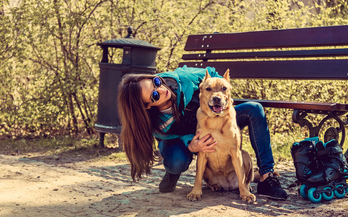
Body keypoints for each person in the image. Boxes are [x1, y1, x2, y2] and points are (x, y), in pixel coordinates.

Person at [117, 66, 287, 200]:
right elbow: (166, 136)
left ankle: (267, 176)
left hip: (212, 118)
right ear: (147, 106)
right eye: (154, 95)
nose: (161, 89)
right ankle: (173, 172)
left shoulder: (183, 79)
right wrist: (191, 143)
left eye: (155, 82)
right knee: (177, 161)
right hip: (182, 138)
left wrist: (223, 95)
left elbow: (212, 75)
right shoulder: (153, 121)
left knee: (254, 109)